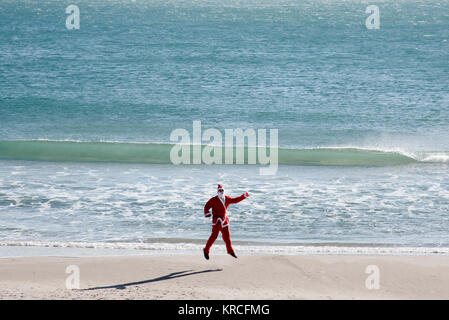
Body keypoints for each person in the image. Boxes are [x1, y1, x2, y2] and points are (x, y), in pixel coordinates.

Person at [203, 184, 249, 260]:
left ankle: (230, 251)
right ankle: (206, 250)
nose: (221, 192)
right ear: (217, 191)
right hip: (216, 221)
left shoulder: (227, 198)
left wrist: (244, 196)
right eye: (219, 190)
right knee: (214, 236)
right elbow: (206, 206)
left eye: (222, 190)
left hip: (224, 220)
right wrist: (207, 213)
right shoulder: (213, 199)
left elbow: (235, 200)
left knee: (227, 237)